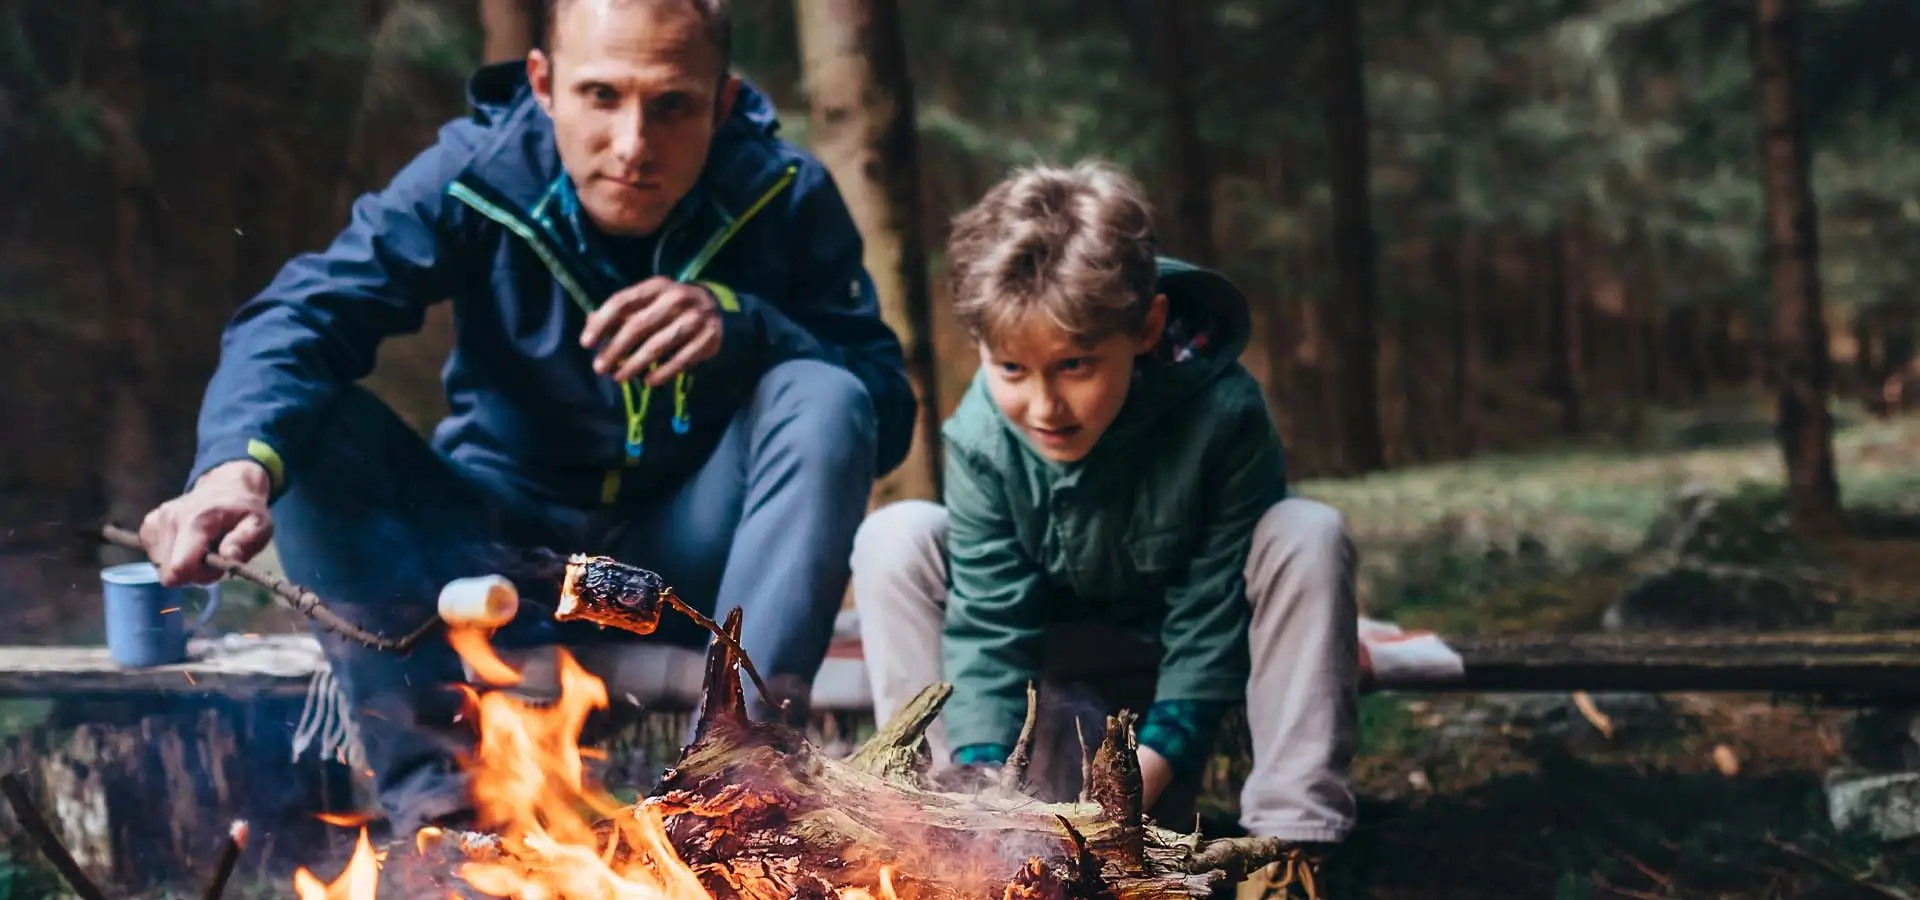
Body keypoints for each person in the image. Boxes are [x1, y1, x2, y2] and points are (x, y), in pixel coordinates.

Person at [137, 0, 915, 835]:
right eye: (601, 96)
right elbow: (300, 319)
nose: (633, 143)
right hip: (491, 557)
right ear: (543, 85)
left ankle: (734, 793)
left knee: (826, 393)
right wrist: (234, 469)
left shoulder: (784, 194)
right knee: (302, 423)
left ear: (723, 104)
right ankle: (440, 819)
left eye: (673, 105)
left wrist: (746, 325)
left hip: (685, 577)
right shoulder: (478, 174)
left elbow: (882, 408)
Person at [849, 161, 1359, 892]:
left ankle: (1285, 851)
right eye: (1012, 369)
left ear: (1146, 326)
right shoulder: (982, 435)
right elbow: (989, 625)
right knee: (895, 536)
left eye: (1076, 365)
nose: (1045, 406)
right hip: (1050, 684)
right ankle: (937, 832)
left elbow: (1211, 620)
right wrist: (993, 802)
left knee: (1307, 532)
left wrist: (1124, 798)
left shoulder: (1224, 416)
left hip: (1172, 684)